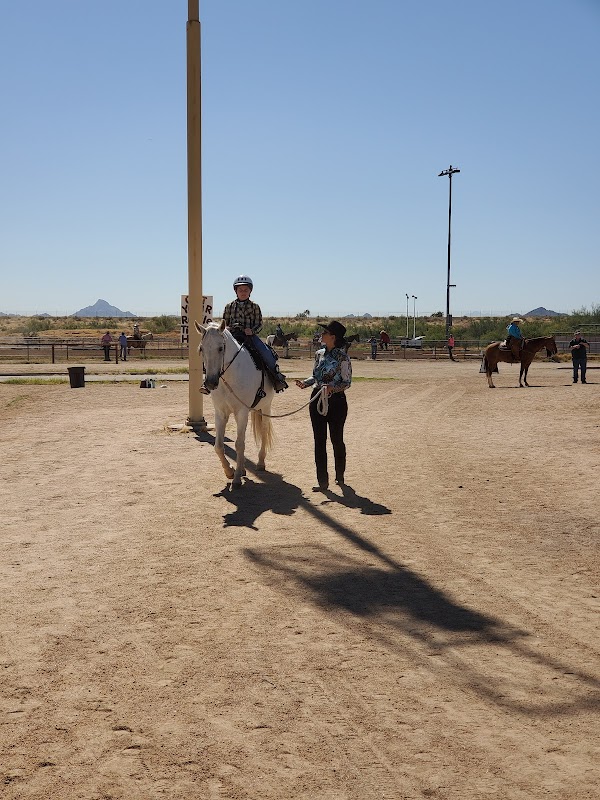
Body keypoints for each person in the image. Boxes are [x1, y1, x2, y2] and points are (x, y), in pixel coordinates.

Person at [296, 320, 352, 492]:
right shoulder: (319, 354)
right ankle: (322, 481)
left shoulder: (343, 357)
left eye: (325, 333)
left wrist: (332, 388)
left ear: (333, 337)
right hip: (317, 398)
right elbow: (316, 376)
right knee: (319, 441)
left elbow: (347, 382)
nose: (321, 335)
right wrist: (305, 383)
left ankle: (339, 475)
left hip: (336, 401)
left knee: (336, 439)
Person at [221, 275, 288, 392]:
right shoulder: (229, 307)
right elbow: (224, 323)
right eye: (240, 290)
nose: (243, 292)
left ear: (250, 291)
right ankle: (209, 381)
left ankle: (277, 379)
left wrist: (252, 330)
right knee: (215, 352)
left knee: (267, 353)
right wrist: (228, 328)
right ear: (236, 291)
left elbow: (259, 323)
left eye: (245, 290)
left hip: (249, 337)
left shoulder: (255, 307)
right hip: (232, 336)